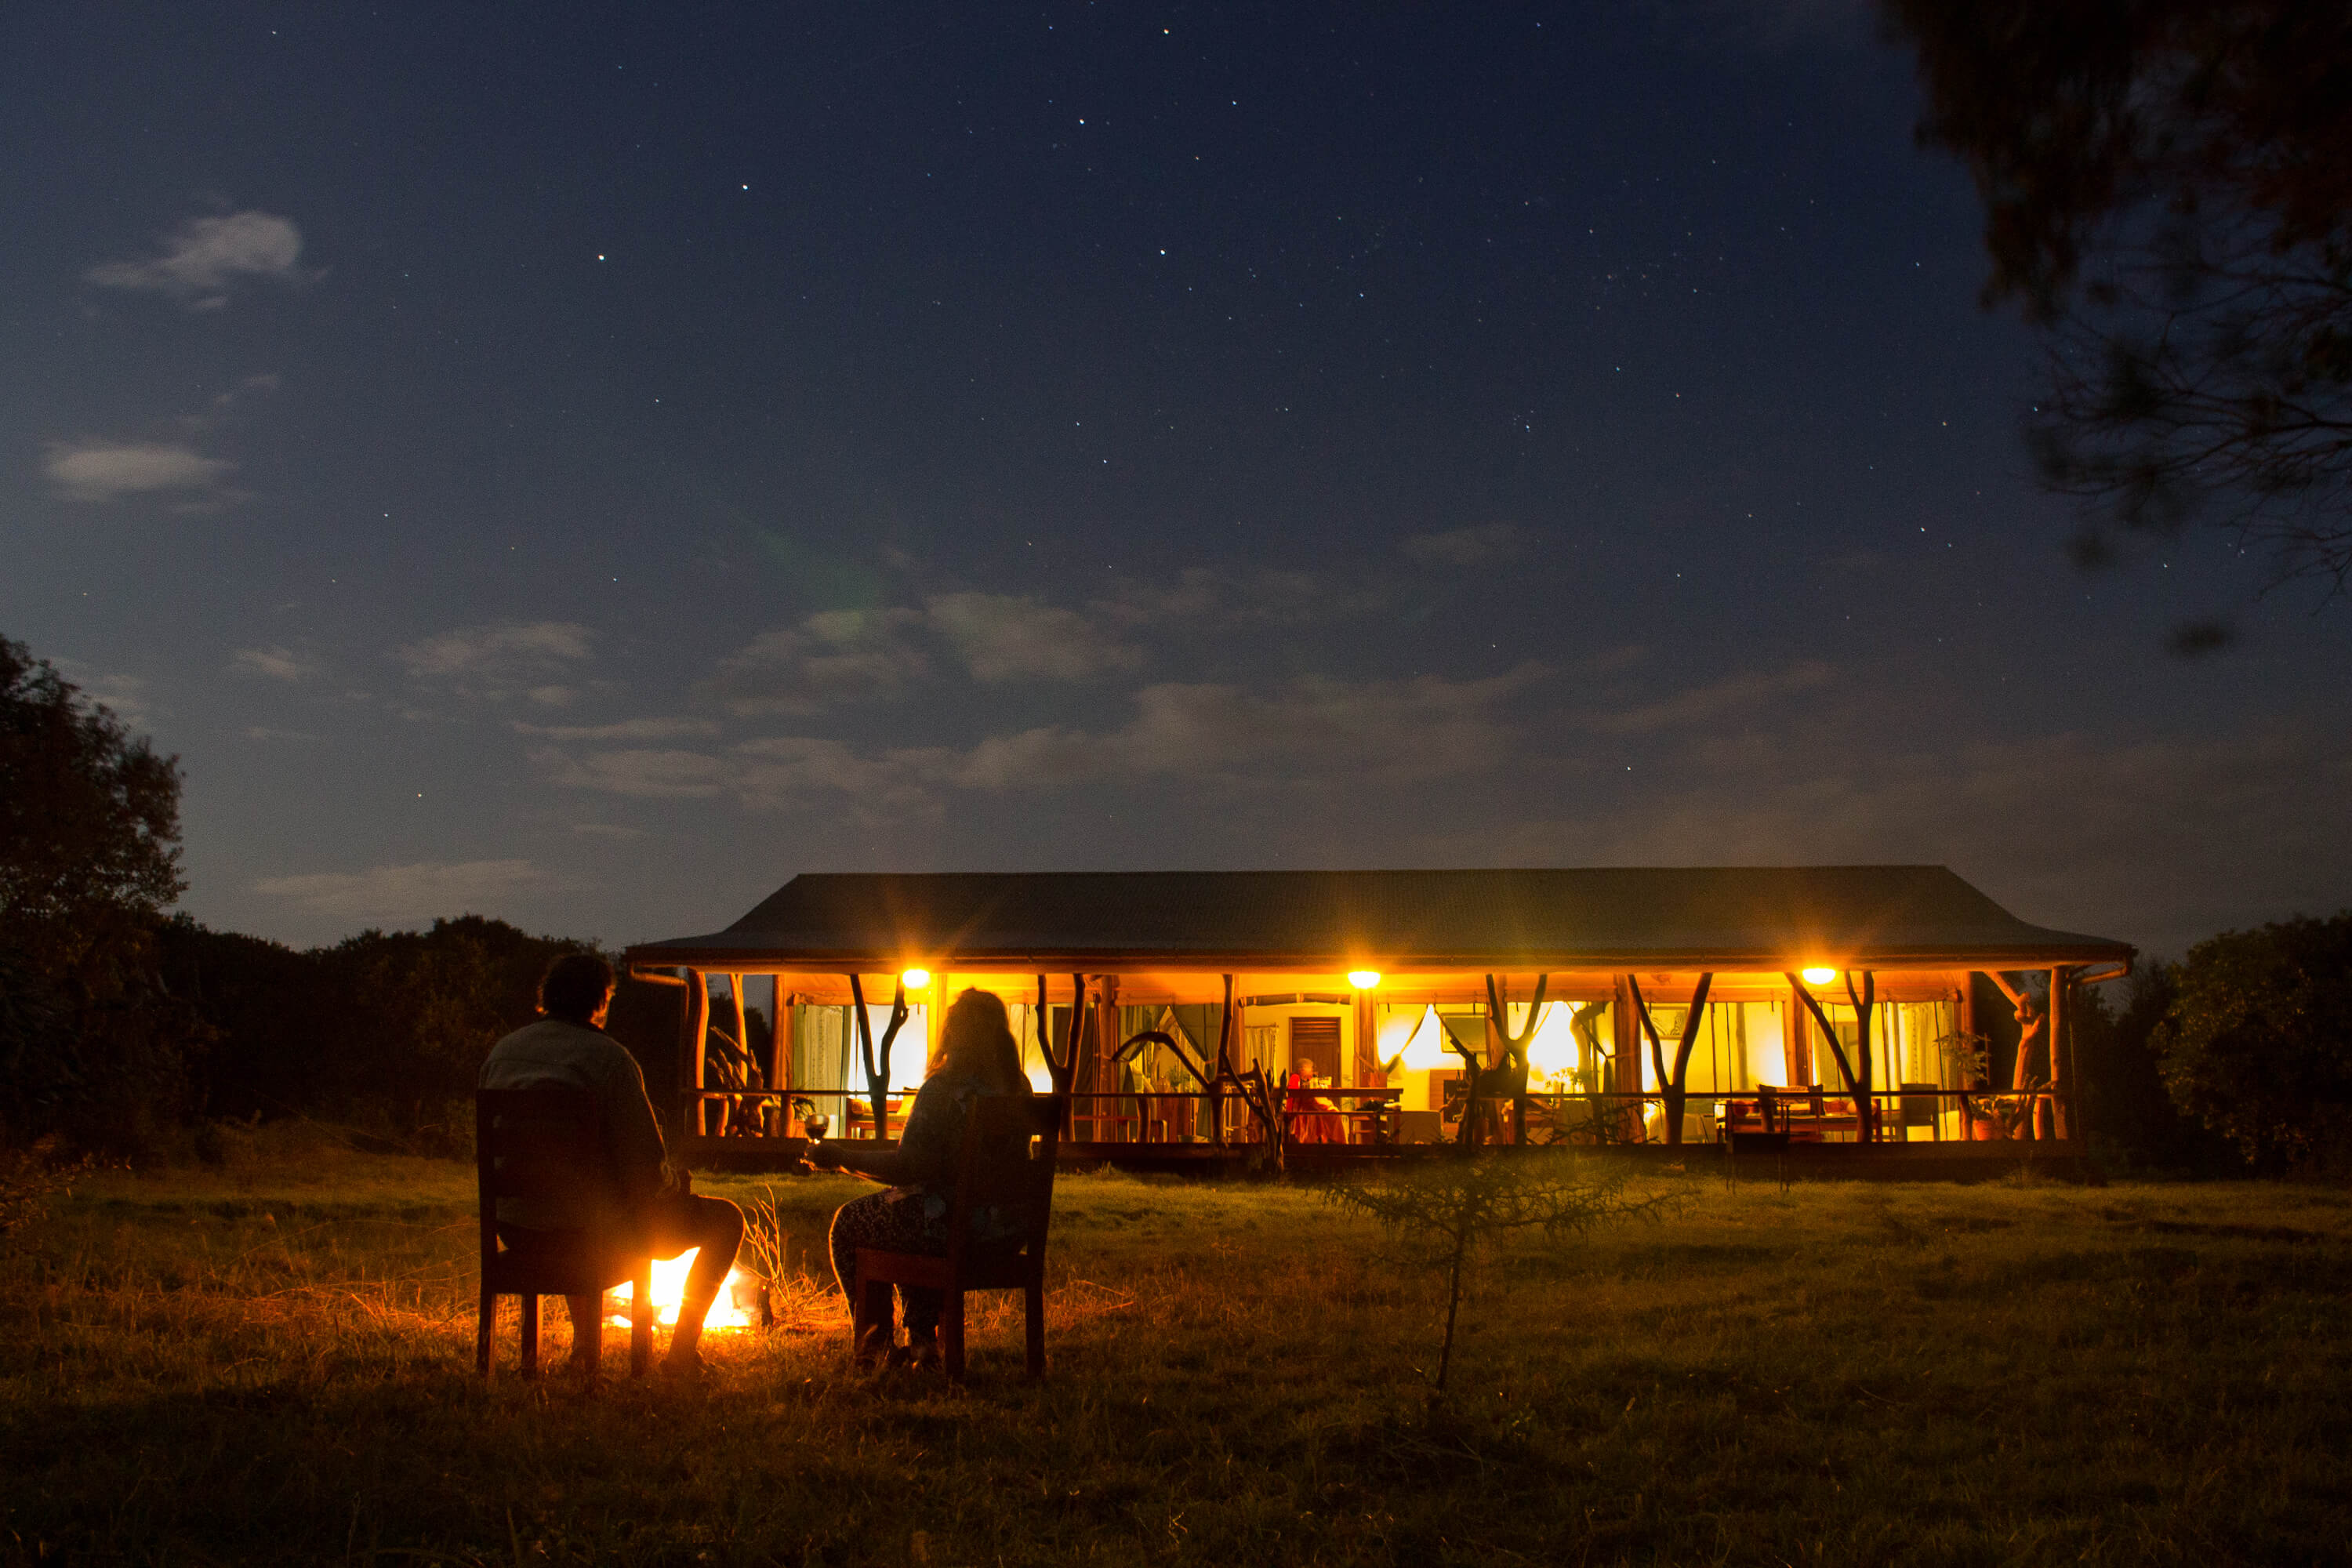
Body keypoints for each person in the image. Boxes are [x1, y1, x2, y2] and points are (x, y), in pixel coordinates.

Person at [479, 952, 744, 1378]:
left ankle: (586, 1348)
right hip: (588, 1234)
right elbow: (644, 1167)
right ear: (601, 1000)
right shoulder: (609, 1060)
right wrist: (674, 1183)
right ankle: (679, 1357)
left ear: (547, 998)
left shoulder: (503, 1053)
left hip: (517, 1228)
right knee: (725, 1219)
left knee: (578, 1210)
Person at [807, 987, 1031, 1369]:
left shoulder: (944, 1089)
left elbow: (908, 1166)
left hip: (954, 1230)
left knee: (856, 1221)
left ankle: (875, 1348)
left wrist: (842, 1159)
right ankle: (923, 1342)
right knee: (910, 1213)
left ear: (953, 1033)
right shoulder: (1018, 1087)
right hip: (1006, 1232)